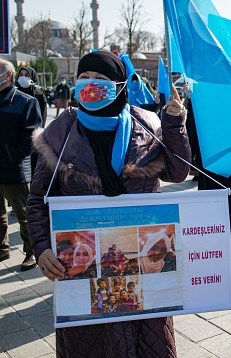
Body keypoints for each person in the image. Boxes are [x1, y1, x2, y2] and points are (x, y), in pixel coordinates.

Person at [27, 50, 190, 357]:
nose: (89, 85)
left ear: (119, 85)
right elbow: (38, 198)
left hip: (143, 272)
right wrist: (41, 247)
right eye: (83, 78)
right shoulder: (61, 133)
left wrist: (173, 124)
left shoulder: (146, 125)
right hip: (83, 270)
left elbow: (178, 172)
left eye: (100, 79)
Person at [0, 59, 42, 271]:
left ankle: (31, 252)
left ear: (8, 75)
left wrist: (10, 156)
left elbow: (30, 137)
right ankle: (2, 250)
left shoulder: (25, 101)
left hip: (14, 169)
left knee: (24, 215)